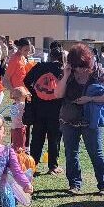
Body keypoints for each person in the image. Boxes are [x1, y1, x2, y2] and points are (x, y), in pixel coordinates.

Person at [55, 43, 104, 195]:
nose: (80, 70)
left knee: (96, 152)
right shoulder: (68, 73)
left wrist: (89, 98)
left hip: (91, 119)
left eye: (83, 66)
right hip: (69, 118)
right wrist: (67, 74)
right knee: (71, 152)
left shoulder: (98, 72)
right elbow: (58, 94)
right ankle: (74, 184)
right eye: (77, 66)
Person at [24, 42, 65, 175]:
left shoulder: (39, 66)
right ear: (61, 58)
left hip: (38, 106)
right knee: (54, 137)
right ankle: (52, 166)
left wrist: (35, 91)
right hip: (56, 107)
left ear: (49, 56)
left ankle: (33, 164)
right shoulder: (62, 71)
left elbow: (26, 80)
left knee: (37, 136)